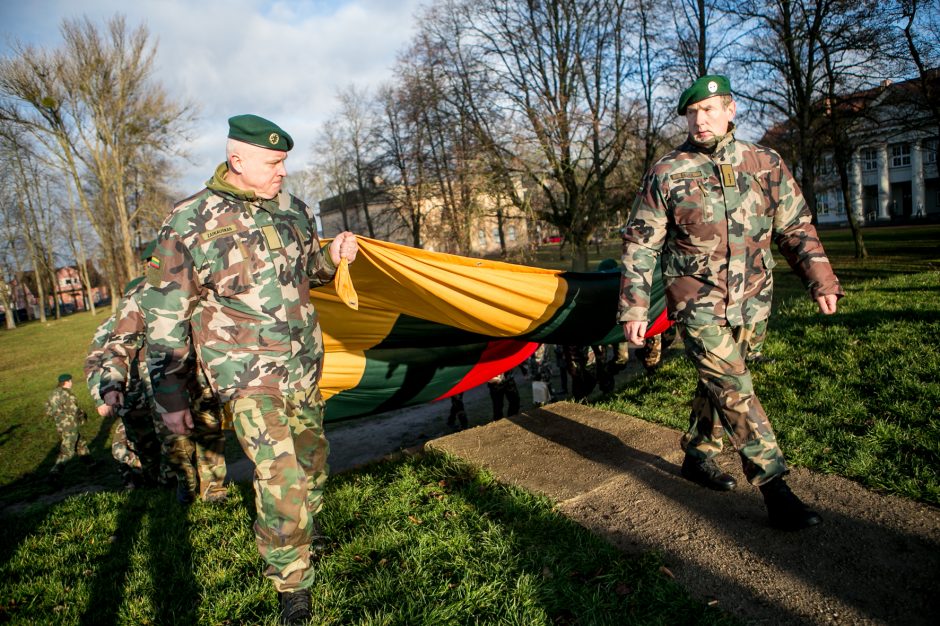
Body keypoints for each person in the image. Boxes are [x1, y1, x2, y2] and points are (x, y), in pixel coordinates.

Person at [140, 114, 359, 625]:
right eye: (274, 161)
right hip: (245, 375)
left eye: (285, 161)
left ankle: (303, 529)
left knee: (312, 461)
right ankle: (292, 584)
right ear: (237, 160)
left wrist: (333, 256)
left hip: (302, 366)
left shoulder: (294, 210)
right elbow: (165, 314)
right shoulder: (190, 220)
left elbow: (310, 274)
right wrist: (172, 399)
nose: (283, 170)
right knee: (279, 472)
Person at [618, 75, 844, 531]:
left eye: (709, 109)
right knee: (734, 386)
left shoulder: (765, 162)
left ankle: (698, 455)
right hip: (695, 297)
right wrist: (636, 307)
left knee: (718, 382)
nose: (699, 120)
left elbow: (795, 228)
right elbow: (640, 244)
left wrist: (821, 281)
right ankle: (775, 487)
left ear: (731, 110)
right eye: (691, 112)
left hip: (753, 298)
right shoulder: (667, 171)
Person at [101, 272, 227, 505]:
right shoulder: (141, 292)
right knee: (174, 436)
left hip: (203, 371)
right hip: (165, 378)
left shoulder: (202, 280)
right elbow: (120, 340)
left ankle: (213, 490)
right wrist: (111, 382)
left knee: (210, 429)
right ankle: (186, 480)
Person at [84, 313, 153, 490]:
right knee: (130, 445)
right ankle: (140, 486)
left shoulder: (165, 306)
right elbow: (94, 358)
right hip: (133, 396)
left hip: (166, 393)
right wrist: (100, 398)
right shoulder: (114, 321)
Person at [45, 373, 94, 481]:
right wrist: (83, 416)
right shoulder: (68, 395)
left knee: (81, 444)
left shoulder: (53, 394)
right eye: (70, 381)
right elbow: (74, 411)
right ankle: (55, 473)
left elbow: (48, 411)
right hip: (70, 426)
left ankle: (91, 465)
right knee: (68, 450)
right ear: (66, 382)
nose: (72, 383)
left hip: (60, 426)